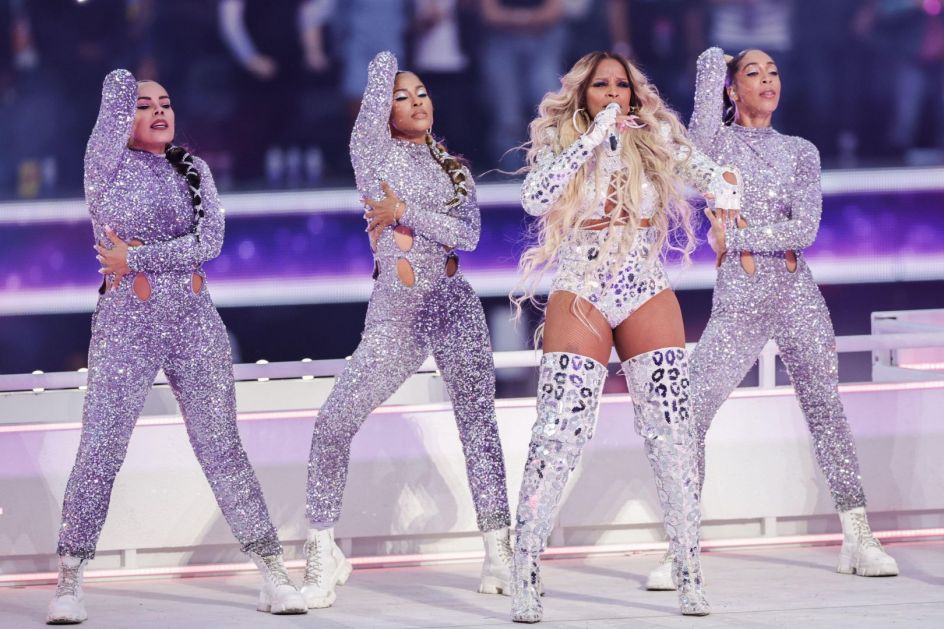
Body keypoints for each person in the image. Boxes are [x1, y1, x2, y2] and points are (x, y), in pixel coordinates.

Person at [46, 69, 307, 625]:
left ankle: (273, 572)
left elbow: (210, 242)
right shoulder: (105, 165)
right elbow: (115, 83)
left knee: (222, 447)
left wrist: (135, 258)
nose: (159, 111)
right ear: (120, 118)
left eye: (166, 102)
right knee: (100, 450)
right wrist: (129, 81)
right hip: (126, 325)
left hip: (195, 322)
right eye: (144, 106)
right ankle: (69, 579)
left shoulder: (194, 169)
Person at [644, 46, 900, 591]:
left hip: (795, 290)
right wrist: (715, 58)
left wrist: (733, 236)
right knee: (690, 412)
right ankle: (682, 547)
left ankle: (859, 536)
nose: (767, 80)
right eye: (753, 73)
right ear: (732, 90)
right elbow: (699, 122)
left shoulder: (801, 152)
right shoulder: (713, 147)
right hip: (740, 294)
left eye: (774, 72)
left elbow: (803, 230)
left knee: (826, 408)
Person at [509, 50, 741, 623]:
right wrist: (595, 139)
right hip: (583, 283)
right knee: (557, 435)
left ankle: (689, 570)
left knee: (674, 436)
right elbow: (535, 197)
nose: (613, 93)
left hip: (642, 282)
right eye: (601, 85)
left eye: (621, 85)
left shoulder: (653, 134)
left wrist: (724, 189)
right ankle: (524, 572)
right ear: (583, 93)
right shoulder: (561, 141)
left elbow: (709, 175)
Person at [301, 50, 513, 609]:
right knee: (333, 422)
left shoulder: (455, 168)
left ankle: (499, 551)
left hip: (453, 304)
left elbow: (466, 237)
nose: (416, 101)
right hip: (396, 312)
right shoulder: (371, 154)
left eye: (422, 93)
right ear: (382, 110)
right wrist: (384, 53)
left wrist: (404, 213)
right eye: (402, 95)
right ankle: (321, 549)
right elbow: (375, 93)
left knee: (479, 427)